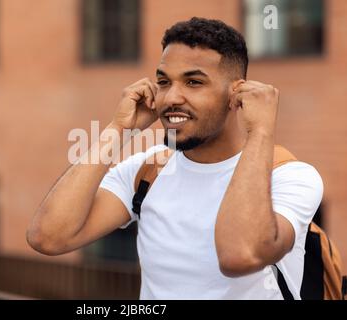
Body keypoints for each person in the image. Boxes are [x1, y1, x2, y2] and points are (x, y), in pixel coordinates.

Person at [27, 17, 323, 299]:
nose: (171, 98)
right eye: (164, 82)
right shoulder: (146, 172)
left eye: (193, 82)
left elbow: (240, 255)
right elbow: (48, 237)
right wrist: (119, 128)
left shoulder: (290, 176)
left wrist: (260, 130)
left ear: (237, 93)